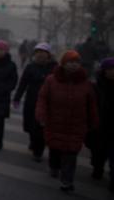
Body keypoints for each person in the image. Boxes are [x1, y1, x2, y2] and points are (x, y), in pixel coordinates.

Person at [36, 50, 99, 193]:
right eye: (70, 62)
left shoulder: (85, 83)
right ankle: (54, 166)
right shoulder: (51, 80)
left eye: (76, 62)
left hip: (76, 126)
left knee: (71, 155)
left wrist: (94, 122)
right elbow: (42, 98)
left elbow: (92, 104)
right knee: (55, 149)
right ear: (63, 63)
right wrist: (41, 115)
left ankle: (67, 182)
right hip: (55, 123)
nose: (73, 65)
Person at [13, 42, 57, 162]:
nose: (40, 55)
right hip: (31, 101)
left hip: (47, 103)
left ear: (48, 55)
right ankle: (33, 142)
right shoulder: (30, 67)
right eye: (38, 53)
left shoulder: (55, 68)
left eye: (43, 53)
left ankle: (38, 151)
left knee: (40, 127)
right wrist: (17, 98)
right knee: (30, 126)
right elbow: (23, 83)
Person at [87, 57, 114, 193]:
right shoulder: (95, 86)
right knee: (98, 150)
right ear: (104, 71)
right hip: (99, 123)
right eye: (110, 69)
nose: (113, 72)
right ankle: (98, 167)